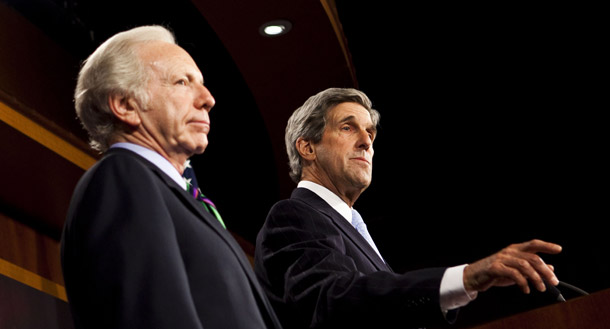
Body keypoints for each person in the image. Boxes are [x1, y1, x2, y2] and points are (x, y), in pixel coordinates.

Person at [254, 87, 562, 328]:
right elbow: (333, 300)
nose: (366, 142)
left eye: (370, 132)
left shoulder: (350, 225)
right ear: (307, 147)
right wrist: (465, 277)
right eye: (348, 128)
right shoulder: (293, 216)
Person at [60, 25, 282, 329]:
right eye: (182, 82)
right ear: (126, 105)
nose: (208, 99)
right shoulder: (122, 179)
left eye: (201, 84)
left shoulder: (170, 194)